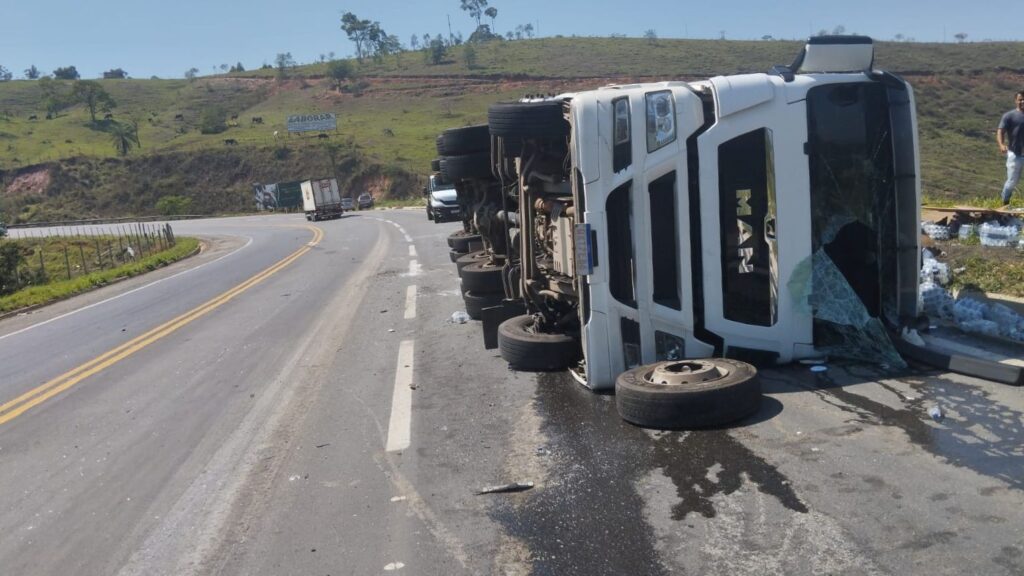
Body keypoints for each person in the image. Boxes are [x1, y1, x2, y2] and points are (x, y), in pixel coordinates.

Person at [996, 91, 1024, 206]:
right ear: (1016, 100)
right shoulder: (1009, 116)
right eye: (1020, 99)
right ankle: (1005, 203)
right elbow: (1000, 131)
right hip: (1015, 154)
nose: (1023, 101)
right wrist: (1001, 144)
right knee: (1012, 181)